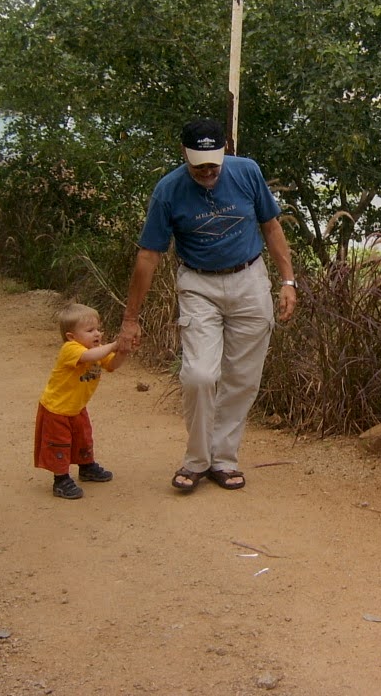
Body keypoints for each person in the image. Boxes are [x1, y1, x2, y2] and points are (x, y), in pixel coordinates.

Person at [119, 117, 297, 493]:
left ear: (225, 150)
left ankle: (223, 459)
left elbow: (271, 226)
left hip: (249, 279)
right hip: (198, 284)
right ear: (183, 154)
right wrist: (130, 318)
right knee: (199, 375)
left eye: (213, 163)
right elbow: (148, 256)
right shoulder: (168, 191)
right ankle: (197, 459)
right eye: (199, 164)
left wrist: (288, 281)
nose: (207, 171)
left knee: (242, 378)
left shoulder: (247, 172)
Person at [34, 303, 129, 500]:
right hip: (56, 410)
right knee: (59, 444)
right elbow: (88, 356)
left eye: (98, 329)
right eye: (90, 330)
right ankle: (60, 480)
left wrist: (123, 351)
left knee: (83, 438)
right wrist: (114, 345)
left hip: (76, 408)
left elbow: (112, 364)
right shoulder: (70, 349)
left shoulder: (98, 349)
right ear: (71, 336)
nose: (97, 334)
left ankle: (86, 467)